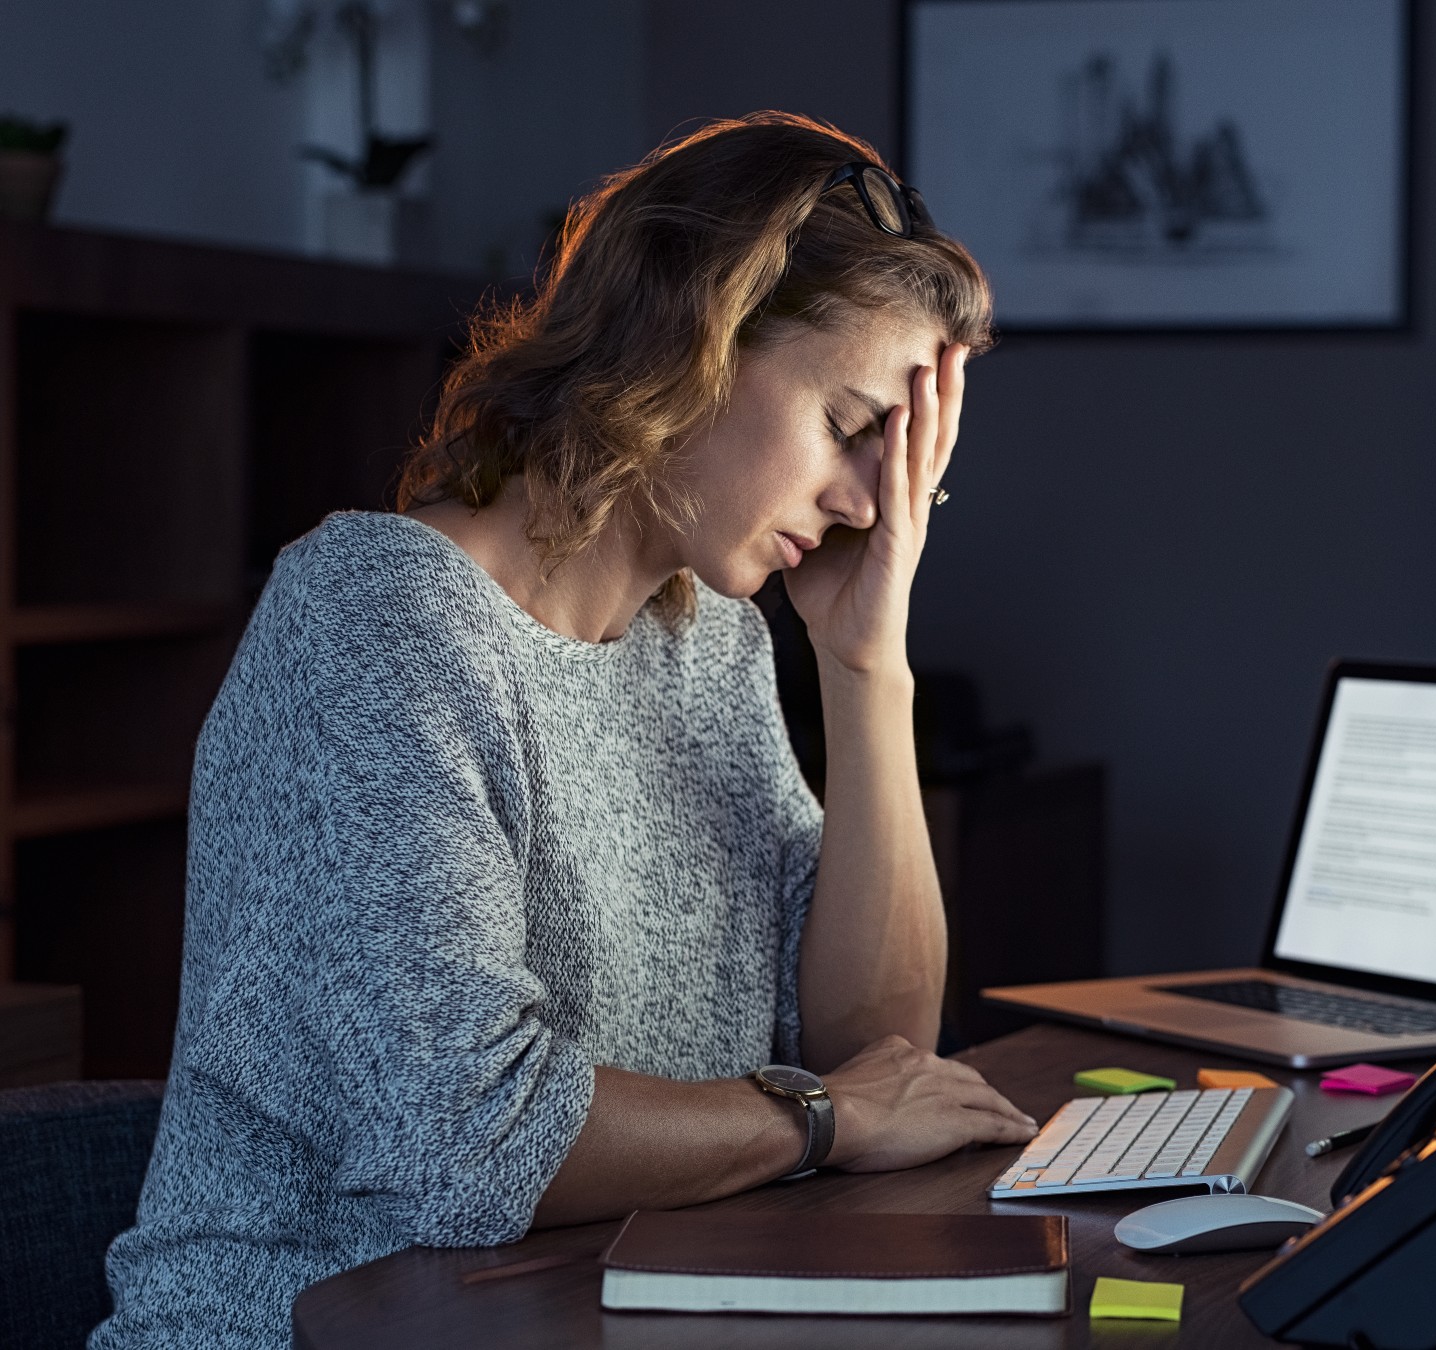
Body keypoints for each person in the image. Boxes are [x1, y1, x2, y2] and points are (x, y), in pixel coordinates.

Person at [93, 112, 1039, 1350]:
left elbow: (875, 1049)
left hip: (593, 1316)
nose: (871, 500)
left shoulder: (704, 641)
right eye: (854, 427)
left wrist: (867, 663)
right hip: (314, 1330)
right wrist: (823, 1120)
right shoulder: (376, 620)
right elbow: (473, 1140)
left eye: (904, 469)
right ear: (695, 339)